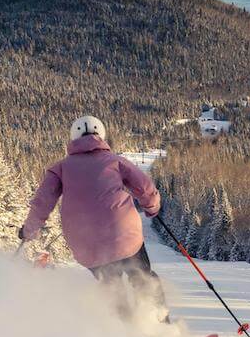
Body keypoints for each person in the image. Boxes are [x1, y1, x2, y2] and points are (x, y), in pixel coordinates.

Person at [20, 115, 170, 322]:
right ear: (101, 135)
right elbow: (145, 188)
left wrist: (29, 231)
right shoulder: (115, 161)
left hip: (86, 244)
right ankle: (160, 328)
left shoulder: (60, 168)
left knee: (111, 286)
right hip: (123, 234)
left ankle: (128, 333)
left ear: (73, 137)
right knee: (142, 277)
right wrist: (152, 208)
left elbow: (42, 202)